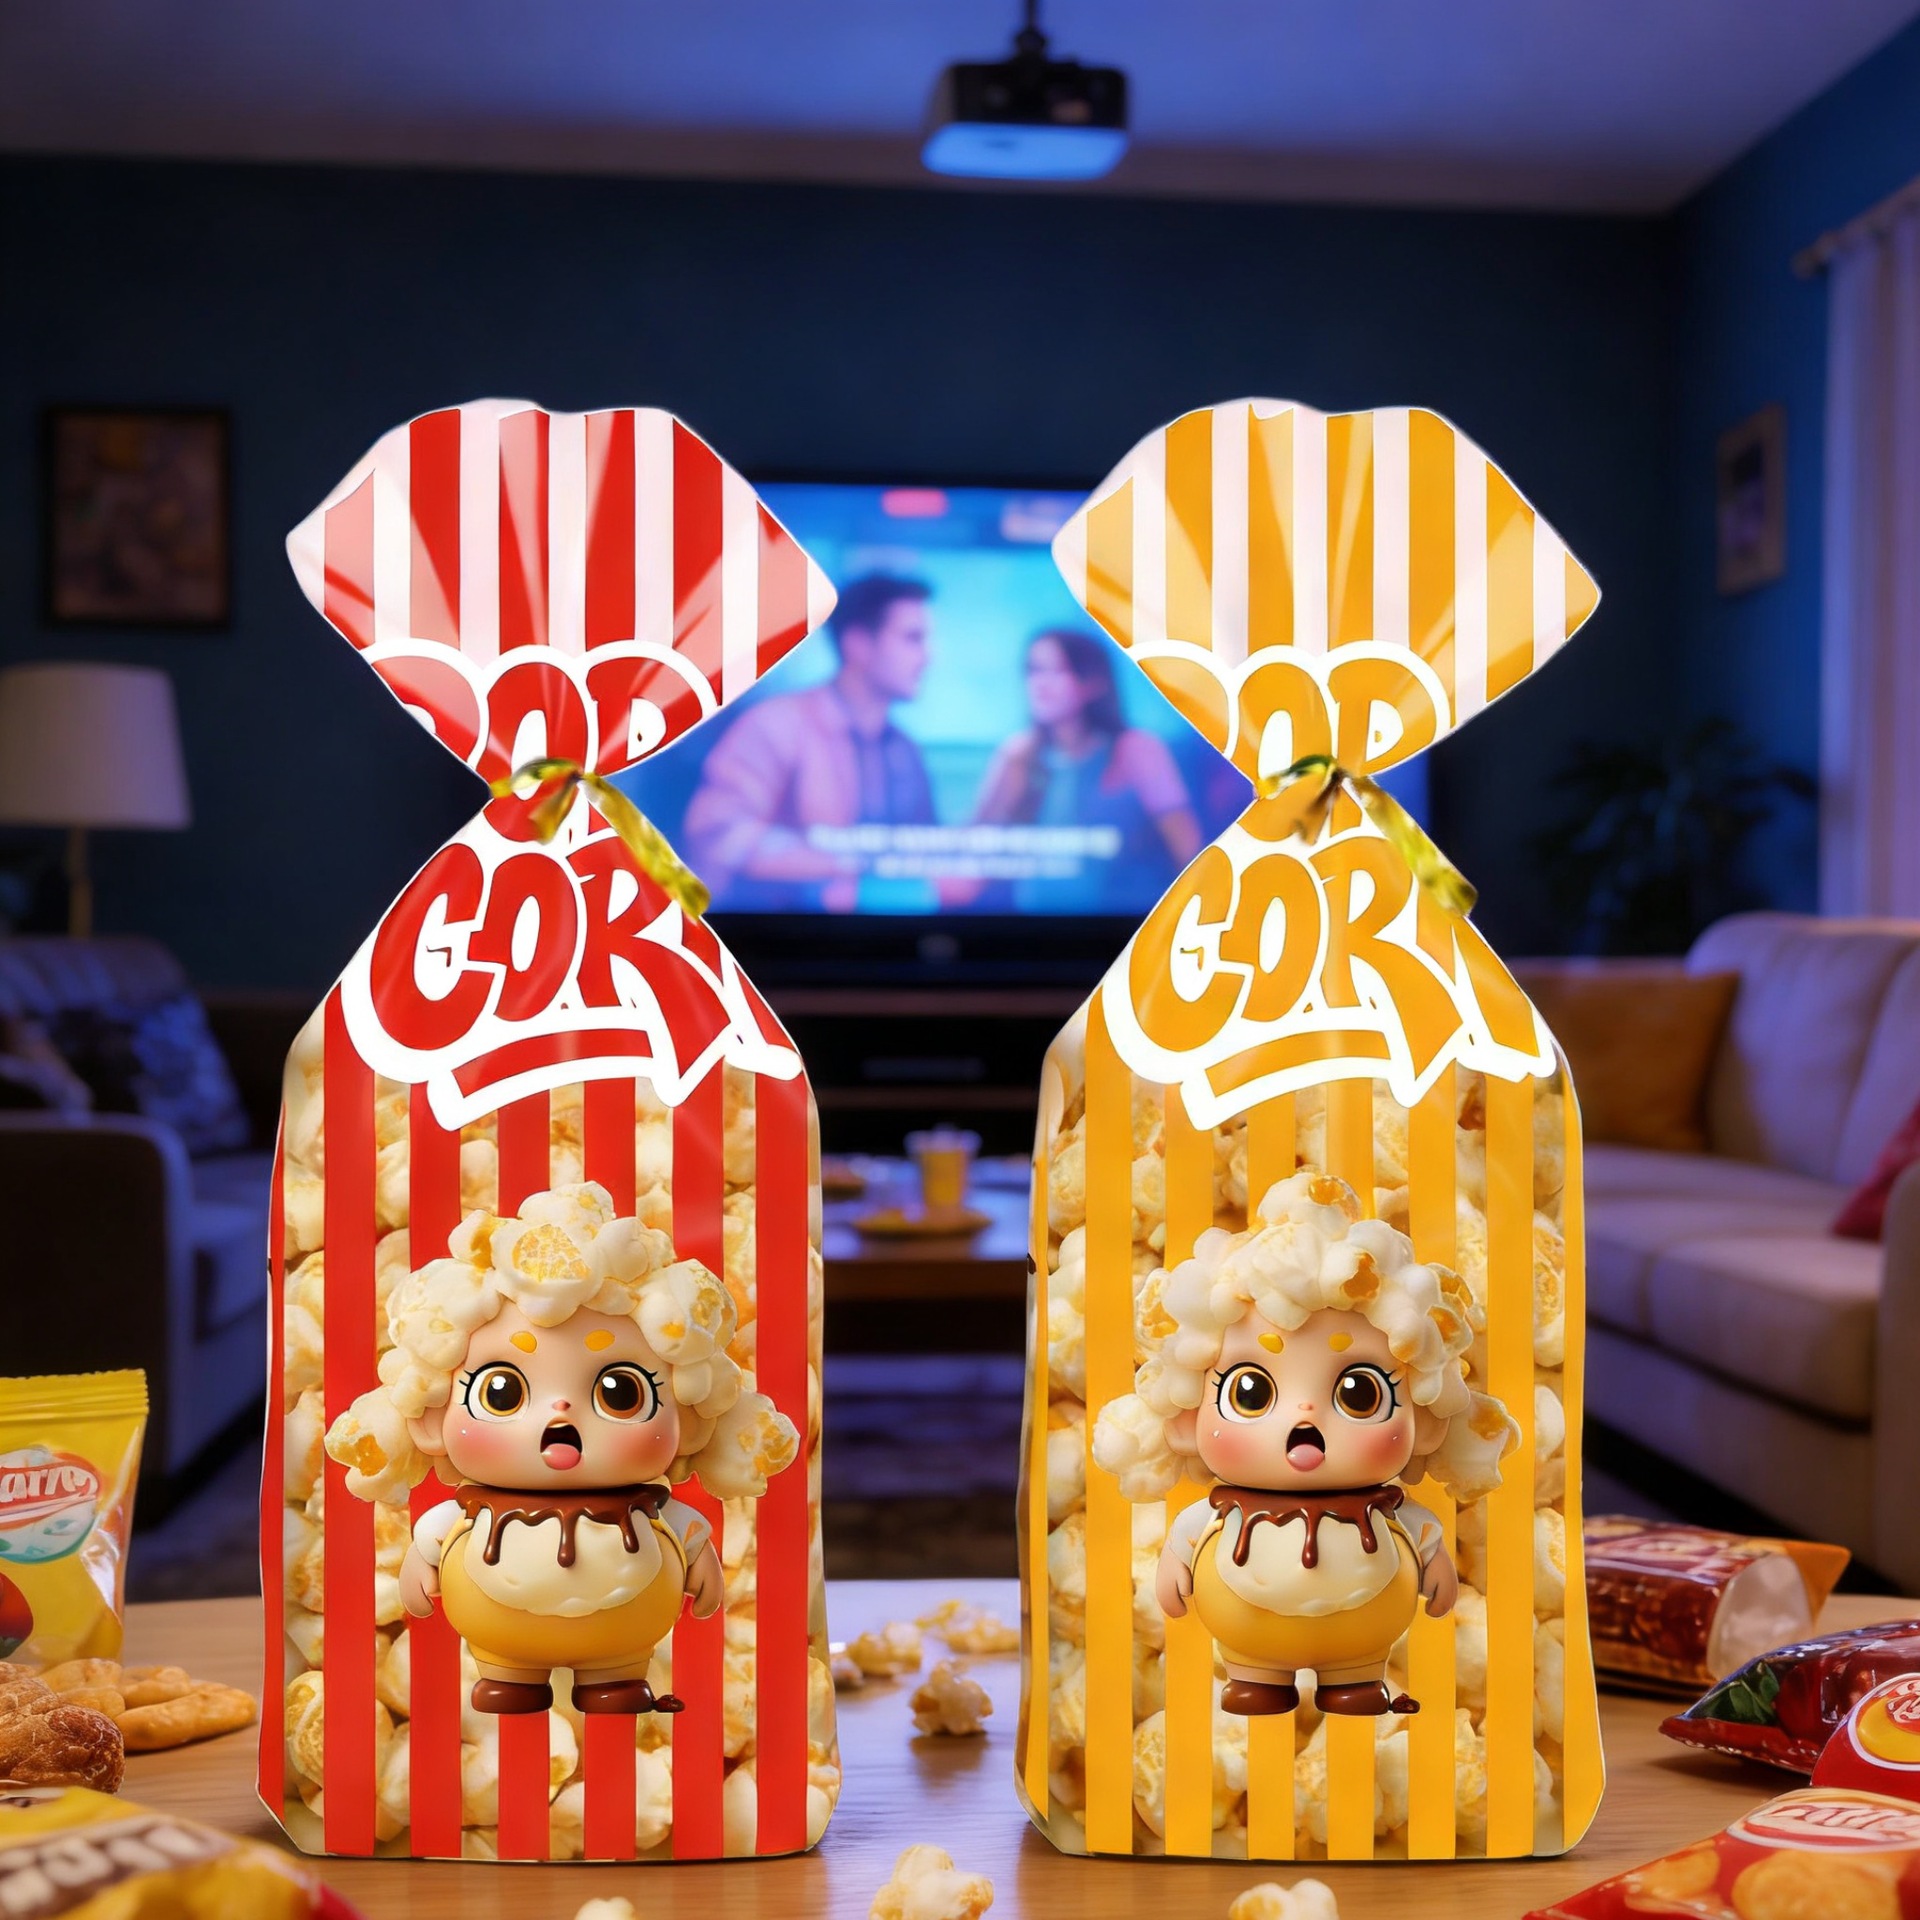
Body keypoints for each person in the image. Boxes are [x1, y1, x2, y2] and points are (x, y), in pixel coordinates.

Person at [682, 574, 937, 911]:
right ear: (858, 644)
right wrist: (844, 864)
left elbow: (927, 855)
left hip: (890, 936)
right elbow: (719, 836)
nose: (927, 657)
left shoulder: (905, 750)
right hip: (778, 935)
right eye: (912, 639)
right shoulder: (775, 726)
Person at [948, 628, 1201, 911]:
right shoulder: (1018, 755)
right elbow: (973, 859)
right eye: (1034, 671)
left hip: (1126, 927)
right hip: (1029, 927)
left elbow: (1188, 852)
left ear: (1092, 682)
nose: (1041, 684)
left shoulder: (1136, 750)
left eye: (1057, 671)